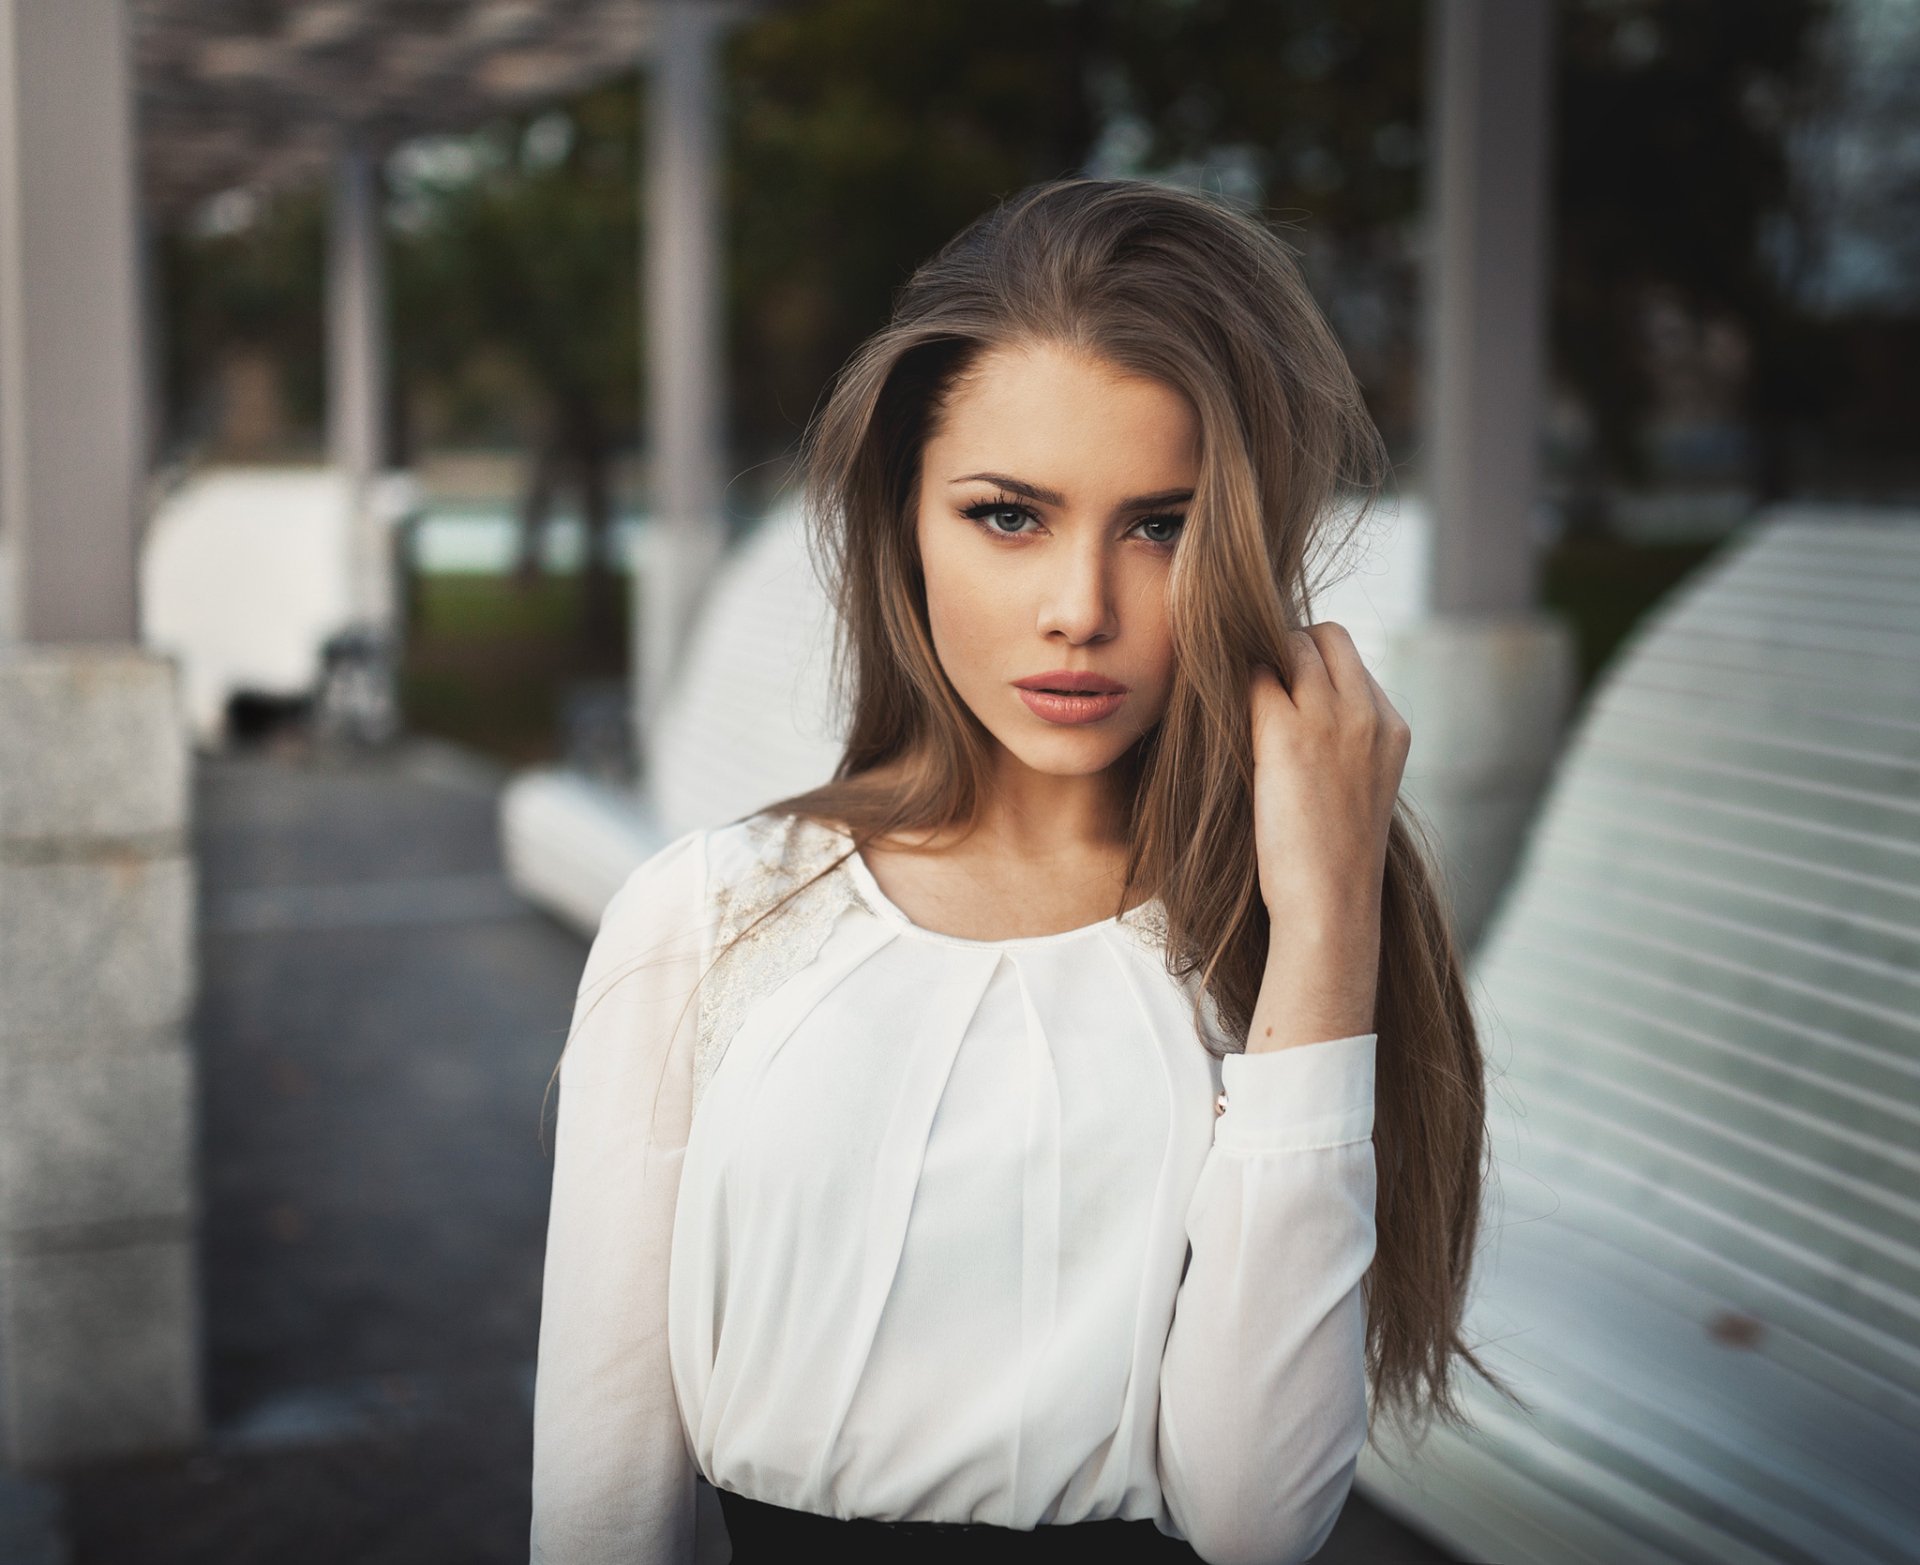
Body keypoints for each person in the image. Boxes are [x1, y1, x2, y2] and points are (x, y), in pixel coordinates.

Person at [528, 177, 1509, 1565]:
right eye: (1008, 514)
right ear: (904, 515)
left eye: (1160, 524)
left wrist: (1333, 913)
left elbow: (1251, 1517)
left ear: (1246, 546)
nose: (1080, 610)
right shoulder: (709, 918)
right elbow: (598, 1497)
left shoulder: (1279, 941)